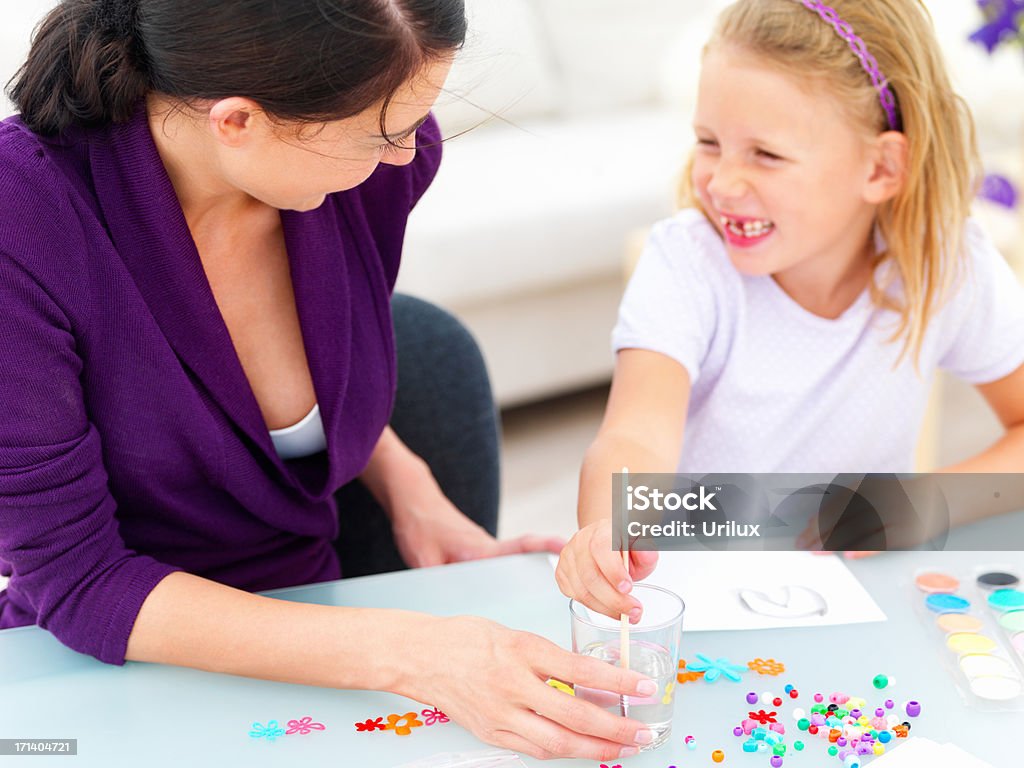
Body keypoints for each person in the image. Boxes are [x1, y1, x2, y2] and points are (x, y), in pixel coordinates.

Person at [0, 0, 659, 760]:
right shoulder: (25, 224)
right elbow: (80, 583)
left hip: (319, 623)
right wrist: (418, 653)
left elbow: (267, 400)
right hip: (107, 671)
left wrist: (407, 486)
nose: (410, 156)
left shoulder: (363, 176)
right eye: (382, 133)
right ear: (237, 121)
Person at [556, 0, 1024, 621]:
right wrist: (610, 530)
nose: (721, 182)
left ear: (882, 167)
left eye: (766, 155)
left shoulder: (947, 264)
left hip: (866, 604)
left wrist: (918, 505)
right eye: (708, 143)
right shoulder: (687, 264)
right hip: (700, 602)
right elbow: (634, 432)